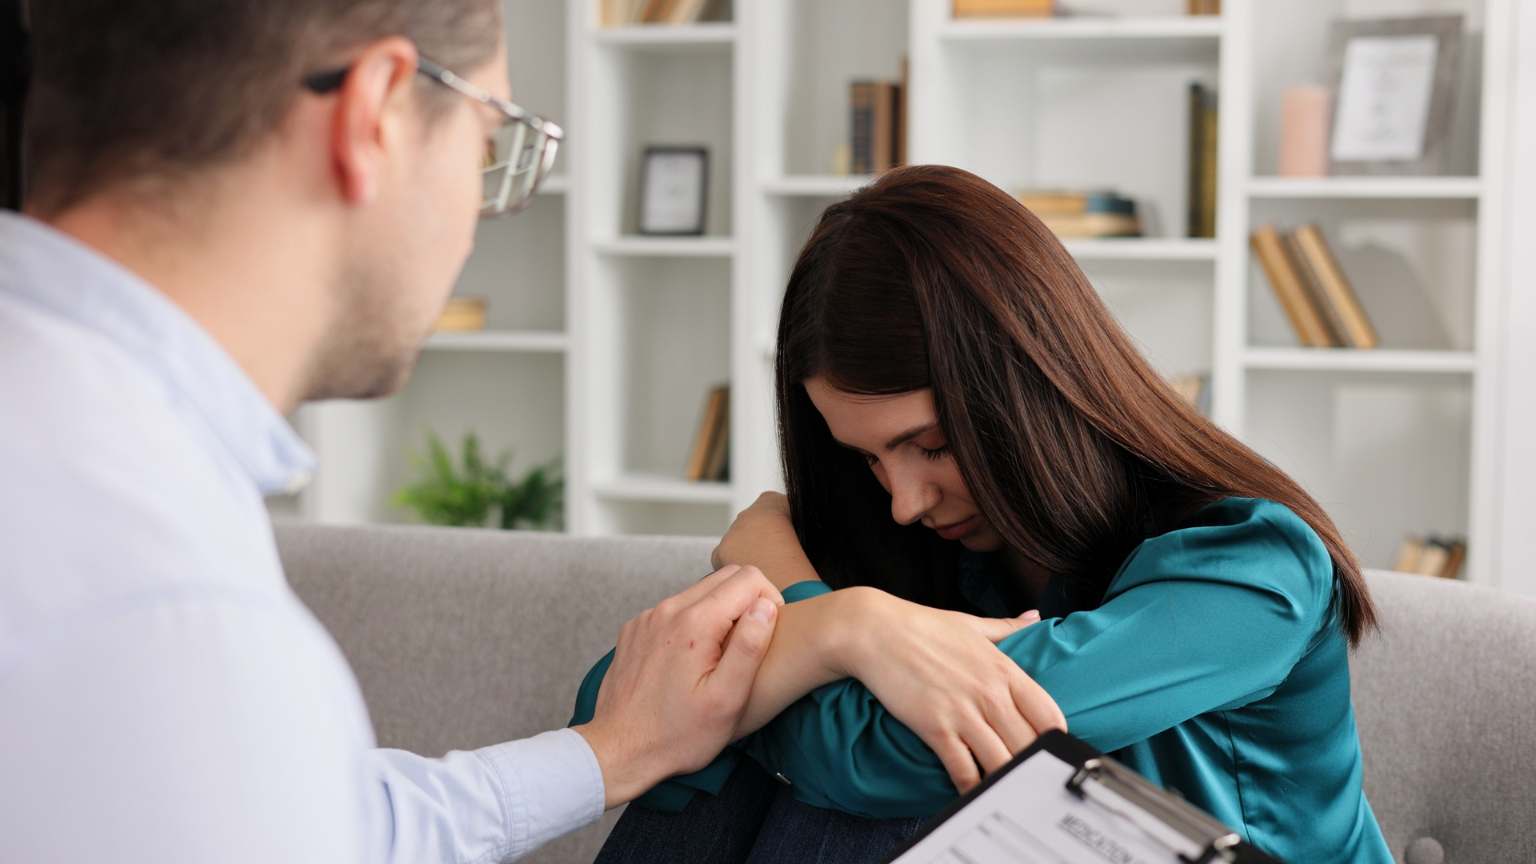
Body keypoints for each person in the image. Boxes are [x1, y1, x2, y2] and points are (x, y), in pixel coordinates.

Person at [0, 2, 794, 861]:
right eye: (488, 145)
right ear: (373, 112)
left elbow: (318, 817)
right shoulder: (169, 614)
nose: (479, 216)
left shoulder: (94, 468)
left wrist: (612, 750)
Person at [574, 165, 1396, 863]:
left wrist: (800, 596)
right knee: (740, 763)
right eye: (867, 458)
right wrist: (844, 631)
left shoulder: (1254, 567)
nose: (902, 501)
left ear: (1028, 391)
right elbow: (615, 712)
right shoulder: (935, 547)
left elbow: (895, 761)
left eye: (929, 445)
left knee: (882, 771)